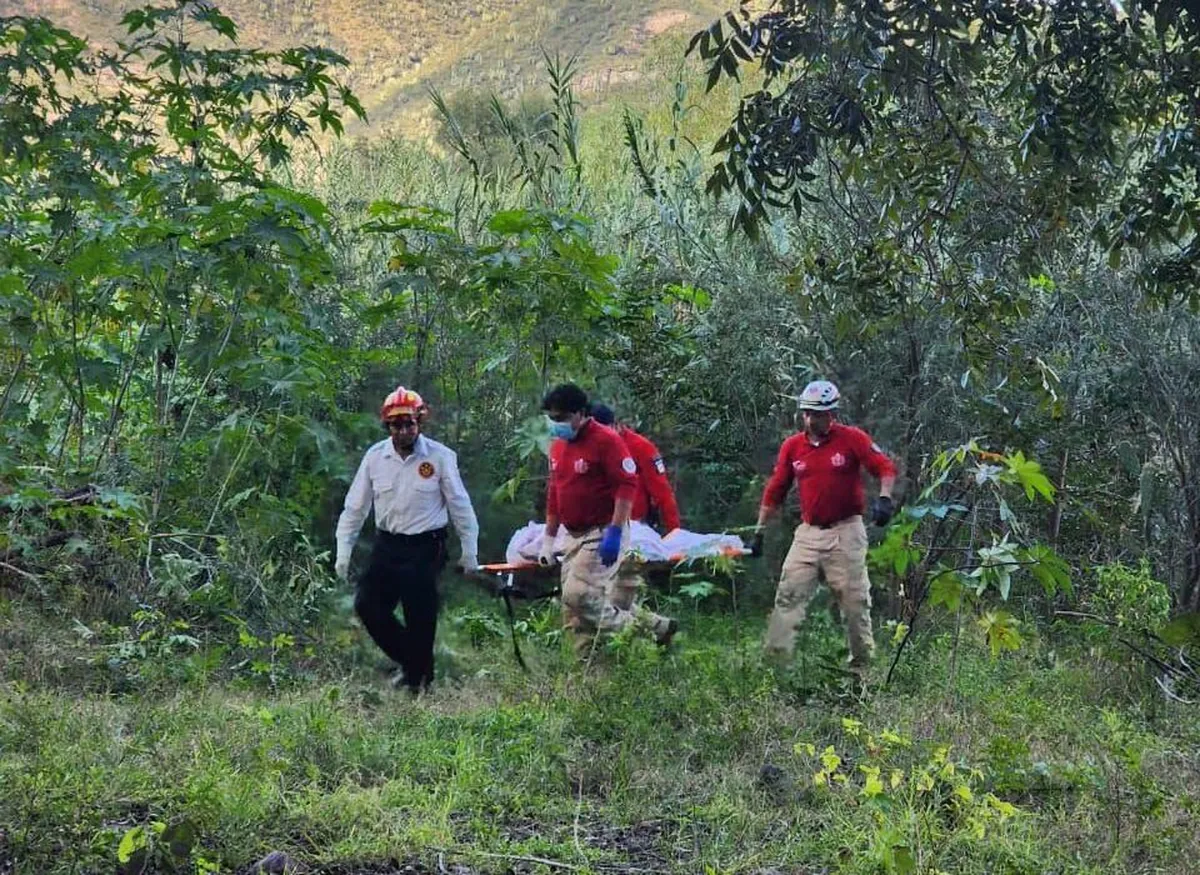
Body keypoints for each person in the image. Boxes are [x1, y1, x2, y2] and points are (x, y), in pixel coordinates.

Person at [335, 386, 479, 694]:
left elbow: (460, 506)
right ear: (387, 426)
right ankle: (416, 665)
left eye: (409, 424)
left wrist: (470, 551)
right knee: (368, 605)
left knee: (419, 613)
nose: (403, 431)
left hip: (427, 545)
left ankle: (418, 681)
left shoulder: (440, 458)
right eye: (396, 425)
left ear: (420, 422)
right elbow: (355, 507)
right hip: (388, 544)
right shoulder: (375, 458)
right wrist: (343, 552)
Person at [753, 380, 896, 674]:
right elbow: (775, 490)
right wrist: (759, 531)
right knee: (788, 596)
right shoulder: (793, 447)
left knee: (854, 603)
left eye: (816, 414)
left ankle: (862, 672)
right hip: (808, 533)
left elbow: (885, 467)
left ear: (830, 413)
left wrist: (884, 499)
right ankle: (775, 669)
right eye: (806, 413)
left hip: (846, 531)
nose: (809, 419)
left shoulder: (851, 438)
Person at [536, 383, 677, 653]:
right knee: (574, 610)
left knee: (579, 595)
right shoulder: (558, 447)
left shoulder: (607, 440)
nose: (556, 424)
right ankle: (591, 669)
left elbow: (627, 486)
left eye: (561, 418)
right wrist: (548, 539)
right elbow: (554, 492)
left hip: (602, 530)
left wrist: (614, 531)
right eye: (552, 419)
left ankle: (641, 634)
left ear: (579, 413)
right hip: (572, 534)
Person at [589, 403, 681, 535]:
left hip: (635, 529)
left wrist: (675, 534)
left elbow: (663, 494)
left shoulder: (641, 447)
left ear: (613, 426)